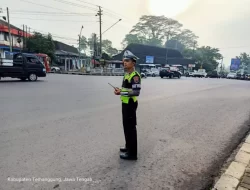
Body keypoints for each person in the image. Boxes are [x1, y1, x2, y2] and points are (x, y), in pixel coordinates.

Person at [114, 50, 141, 160]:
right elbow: (127, 89)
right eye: (124, 60)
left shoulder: (135, 76)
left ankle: (132, 154)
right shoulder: (126, 75)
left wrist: (121, 92)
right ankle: (128, 146)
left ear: (133, 63)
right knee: (126, 126)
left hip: (130, 104)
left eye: (127, 61)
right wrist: (120, 90)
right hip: (125, 103)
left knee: (131, 128)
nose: (124, 62)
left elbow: (136, 92)